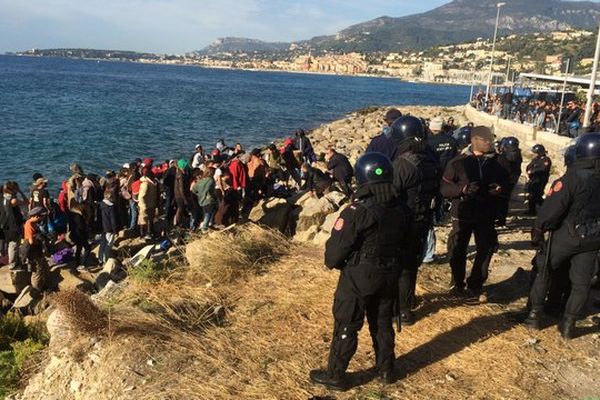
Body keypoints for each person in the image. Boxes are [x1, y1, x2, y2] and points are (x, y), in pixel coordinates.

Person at [309, 152, 413, 391]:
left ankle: (336, 374)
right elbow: (409, 246)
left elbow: (335, 251)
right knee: (382, 323)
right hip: (389, 274)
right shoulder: (403, 209)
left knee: (347, 323)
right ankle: (386, 370)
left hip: (359, 275)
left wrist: (337, 264)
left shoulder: (358, 211)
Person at [525, 133, 600, 339]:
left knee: (544, 271)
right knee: (581, 283)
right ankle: (569, 325)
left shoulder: (572, 178)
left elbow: (551, 210)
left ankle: (533, 315)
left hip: (566, 234)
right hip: (593, 238)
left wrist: (539, 230)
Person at [441, 126, 510, 300]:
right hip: (462, 213)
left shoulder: (500, 162)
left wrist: (500, 189)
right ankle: (456, 283)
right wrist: (462, 189)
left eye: (490, 139)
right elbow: (444, 188)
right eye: (485, 140)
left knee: (486, 248)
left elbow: (508, 185)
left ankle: (476, 283)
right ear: (474, 140)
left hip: (487, 213)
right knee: (458, 249)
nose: (489, 142)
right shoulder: (457, 162)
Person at [389, 115, 441, 325]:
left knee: (397, 265)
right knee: (411, 264)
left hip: (403, 220)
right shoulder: (431, 159)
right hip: (422, 219)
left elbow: (390, 193)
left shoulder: (403, 165)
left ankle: (397, 310)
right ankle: (406, 307)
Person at [424, 117, 458, 263]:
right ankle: (440, 214)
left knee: (433, 200)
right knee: (442, 197)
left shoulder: (429, 142)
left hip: (434, 175)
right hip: (449, 174)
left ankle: (436, 217)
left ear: (432, 128)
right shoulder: (452, 141)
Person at [497, 136, 522, 226]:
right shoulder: (517, 155)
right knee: (504, 201)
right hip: (511, 181)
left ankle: (499, 220)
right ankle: (501, 220)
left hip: (504, 181)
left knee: (500, 201)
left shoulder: (504, 157)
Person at [23, 207, 49, 291]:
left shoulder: (33, 223)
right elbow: (31, 241)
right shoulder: (29, 225)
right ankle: (36, 289)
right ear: (36, 216)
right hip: (33, 252)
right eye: (41, 217)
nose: (41, 219)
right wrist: (39, 241)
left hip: (37, 251)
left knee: (43, 266)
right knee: (37, 271)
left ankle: (44, 283)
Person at [1, 182, 25, 270]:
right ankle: (13, 264)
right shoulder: (13, 200)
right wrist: (21, 192)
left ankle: (15, 262)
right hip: (14, 226)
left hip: (6, 225)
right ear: (13, 189)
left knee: (11, 245)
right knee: (14, 245)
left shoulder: (4, 197)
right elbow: (26, 202)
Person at [526, 144, 552, 215]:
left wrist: (533, 171)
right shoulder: (535, 159)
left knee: (537, 196)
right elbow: (529, 166)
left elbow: (543, 169)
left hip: (541, 180)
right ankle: (531, 211)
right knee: (531, 195)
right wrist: (529, 170)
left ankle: (547, 209)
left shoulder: (546, 160)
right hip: (534, 179)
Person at [192, 168, 218, 233]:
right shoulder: (211, 180)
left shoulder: (200, 181)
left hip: (201, 200)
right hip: (209, 199)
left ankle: (208, 224)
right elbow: (211, 190)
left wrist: (199, 194)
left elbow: (193, 190)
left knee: (206, 212)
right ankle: (205, 227)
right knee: (208, 213)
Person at [138, 169, 159, 239]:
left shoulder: (151, 183)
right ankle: (142, 234)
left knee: (149, 219)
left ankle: (149, 232)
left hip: (150, 204)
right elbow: (141, 197)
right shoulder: (145, 184)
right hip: (145, 205)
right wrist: (143, 206)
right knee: (143, 220)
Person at [99, 188, 118, 263]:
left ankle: (100, 258)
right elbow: (113, 220)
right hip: (109, 228)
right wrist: (115, 229)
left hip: (102, 227)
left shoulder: (101, 205)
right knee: (109, 244)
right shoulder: (111, 207)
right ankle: (105, 259)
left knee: (103, 243)